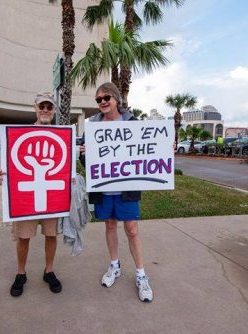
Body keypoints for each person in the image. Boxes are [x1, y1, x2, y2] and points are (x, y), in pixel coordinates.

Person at [79, 82, 153, 302]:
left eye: (106, 98)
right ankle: (114, 266)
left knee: (131, 229)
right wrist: (84, 153)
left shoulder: (131, 122)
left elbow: (148, 149)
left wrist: (166, 147)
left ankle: (141, 274)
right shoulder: (92, 125)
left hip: (127, 188)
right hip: (103, 188)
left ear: (116, 99)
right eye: (98, 99)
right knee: (109, 225)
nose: (102, 102)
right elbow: (85, 160)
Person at [0, 92, 62, 297]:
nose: (45, 110)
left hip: (51, 195)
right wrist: (3, 175)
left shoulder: (63, 137)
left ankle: (49, 270)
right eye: (41, 106)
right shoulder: (20, 134)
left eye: (49, 107)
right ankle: (21, 273)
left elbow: (65, 166)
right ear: (35, 108)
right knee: (23, 237)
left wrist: (70, 177)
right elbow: (10, 164)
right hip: (26, 196)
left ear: (53, 111)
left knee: (51, 234)